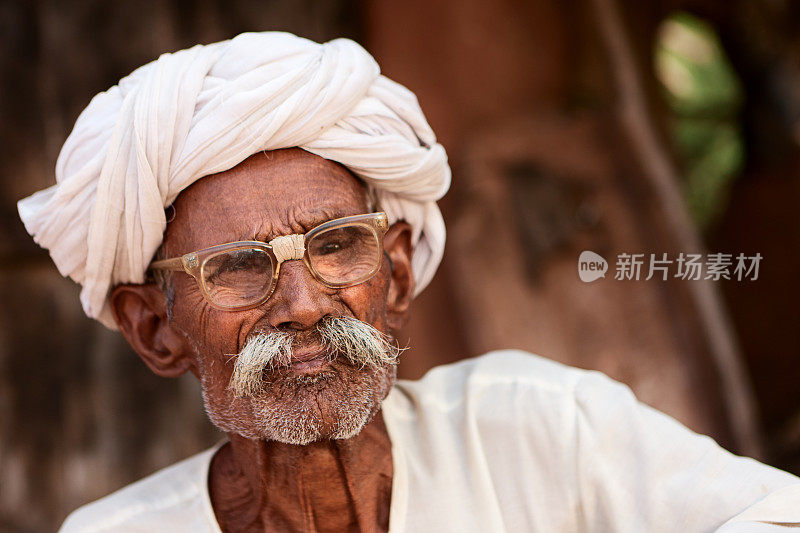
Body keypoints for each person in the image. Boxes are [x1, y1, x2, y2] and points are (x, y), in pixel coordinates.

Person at [18, 31, 800, 532]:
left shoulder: (542, 427)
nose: (303, 303)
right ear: (155, 328)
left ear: (393, 275)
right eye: (238, 267)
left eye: (337, 246)